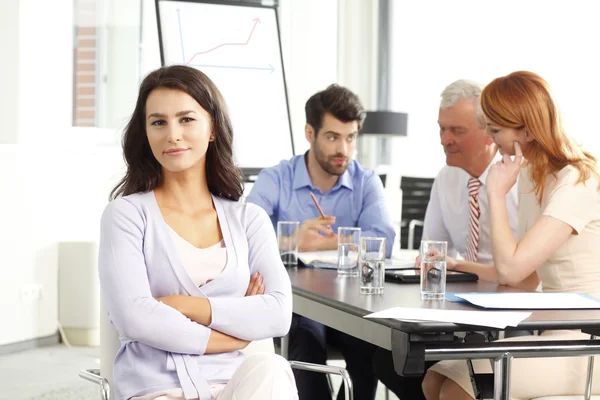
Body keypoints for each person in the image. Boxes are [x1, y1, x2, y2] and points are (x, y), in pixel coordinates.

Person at [98, 65, 297, 400]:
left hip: (235, 387)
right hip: (157, 391)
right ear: (145, 134)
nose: (172, 134)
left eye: (186, 119)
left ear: (212, 129)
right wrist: (234, 336)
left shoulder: (249, 219)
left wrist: (184, 306)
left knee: (273, 368)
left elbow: (278, 314)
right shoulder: (126, 216)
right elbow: (135, 319)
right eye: (158, 122)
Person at [422, 70, 600, 399]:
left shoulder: (577, 180)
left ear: (528, 130)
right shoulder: (534, 175)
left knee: (457, 390)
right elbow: (526, 277)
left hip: (589, 343)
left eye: (496, 130)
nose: (493, 139)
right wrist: (459, 265)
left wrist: (495, 194)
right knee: (434, 378)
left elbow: (511, 270)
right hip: (558, 334)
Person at [372, 79, 524, 400]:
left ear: (489, 132)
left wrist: (457, 265)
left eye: (457, 130)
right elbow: (431, 253)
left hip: (512, 312)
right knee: (384, 358)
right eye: (442, 129)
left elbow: (521, 273)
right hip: (459, 310)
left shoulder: (519, 181)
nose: (445, 140)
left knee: (426, 370)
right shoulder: (446, 178)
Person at [247, 84, 396, 400]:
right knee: (305, 341)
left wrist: (332, 243)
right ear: (309, 133)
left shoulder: (365, 181)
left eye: (350, 137)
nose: (343, 148)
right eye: (332, 137)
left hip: (352, 306)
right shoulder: (276, 178)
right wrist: (293, 240)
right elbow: (243, 238)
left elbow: (383, 240)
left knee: (370, 346)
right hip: (298, 305)